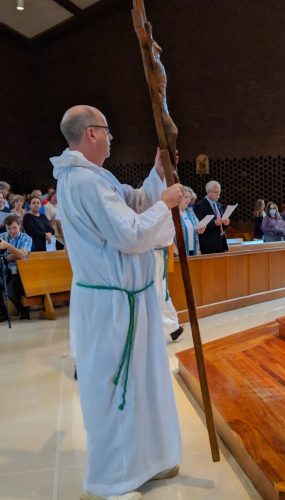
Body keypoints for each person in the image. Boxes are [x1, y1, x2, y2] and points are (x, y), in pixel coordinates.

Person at [50, 105, 183, 499]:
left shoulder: (94, 178)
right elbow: (130, 235)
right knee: (115, 389)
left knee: (143, 384)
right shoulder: (84, 182)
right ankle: (113, 480)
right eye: (107, 131)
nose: (111, 138)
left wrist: (160, 176)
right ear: (91, 133)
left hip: (128, 303)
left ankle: (149, 461)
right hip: (111, 308)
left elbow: (135, 202)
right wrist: (169, 203)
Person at [0, 215, 32, 321]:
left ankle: (24, 311)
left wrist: (8, 247)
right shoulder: (3, 236)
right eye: (9, 228)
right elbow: (15, 255)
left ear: (19, 225)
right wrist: (14, 254)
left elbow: (23, 255)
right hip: (5, 270)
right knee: (8, 289)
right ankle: (5, 314)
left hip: (22, 271)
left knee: (14, 290)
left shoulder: (26, 238)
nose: (12, 231)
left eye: (14, 227)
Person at [194, 180, 230, 254]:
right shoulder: (200, 205)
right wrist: (214, 223)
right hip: (208, 244)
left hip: (221, 242)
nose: (218, 195)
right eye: (216, 192)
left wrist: (225, 223)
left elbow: (221, 223)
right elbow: (199, 224)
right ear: (209, 192)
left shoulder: (218, 205)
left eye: (219, 192)